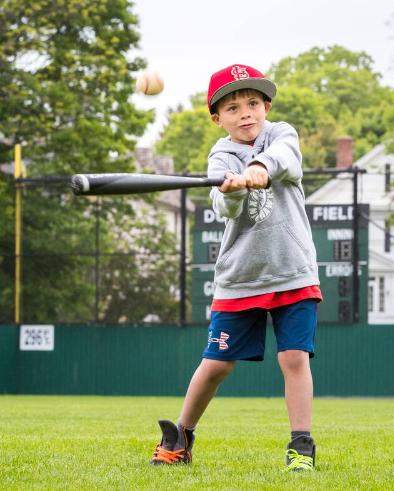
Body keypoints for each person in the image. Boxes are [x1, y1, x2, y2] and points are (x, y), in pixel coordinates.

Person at [150, 64, 322, 472]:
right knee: (216, 364)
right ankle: (181, 436)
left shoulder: (282, 134)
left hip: (292, 270)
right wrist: (230, 190)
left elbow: (282, 159)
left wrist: (258, 170)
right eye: (232, 108)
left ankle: (301, 446)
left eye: (253, 103)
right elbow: (223, 208)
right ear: (217, 118)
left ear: (266, 106)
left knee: (294, 358)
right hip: (240, 278)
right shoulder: (220, 156)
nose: (245, 113)